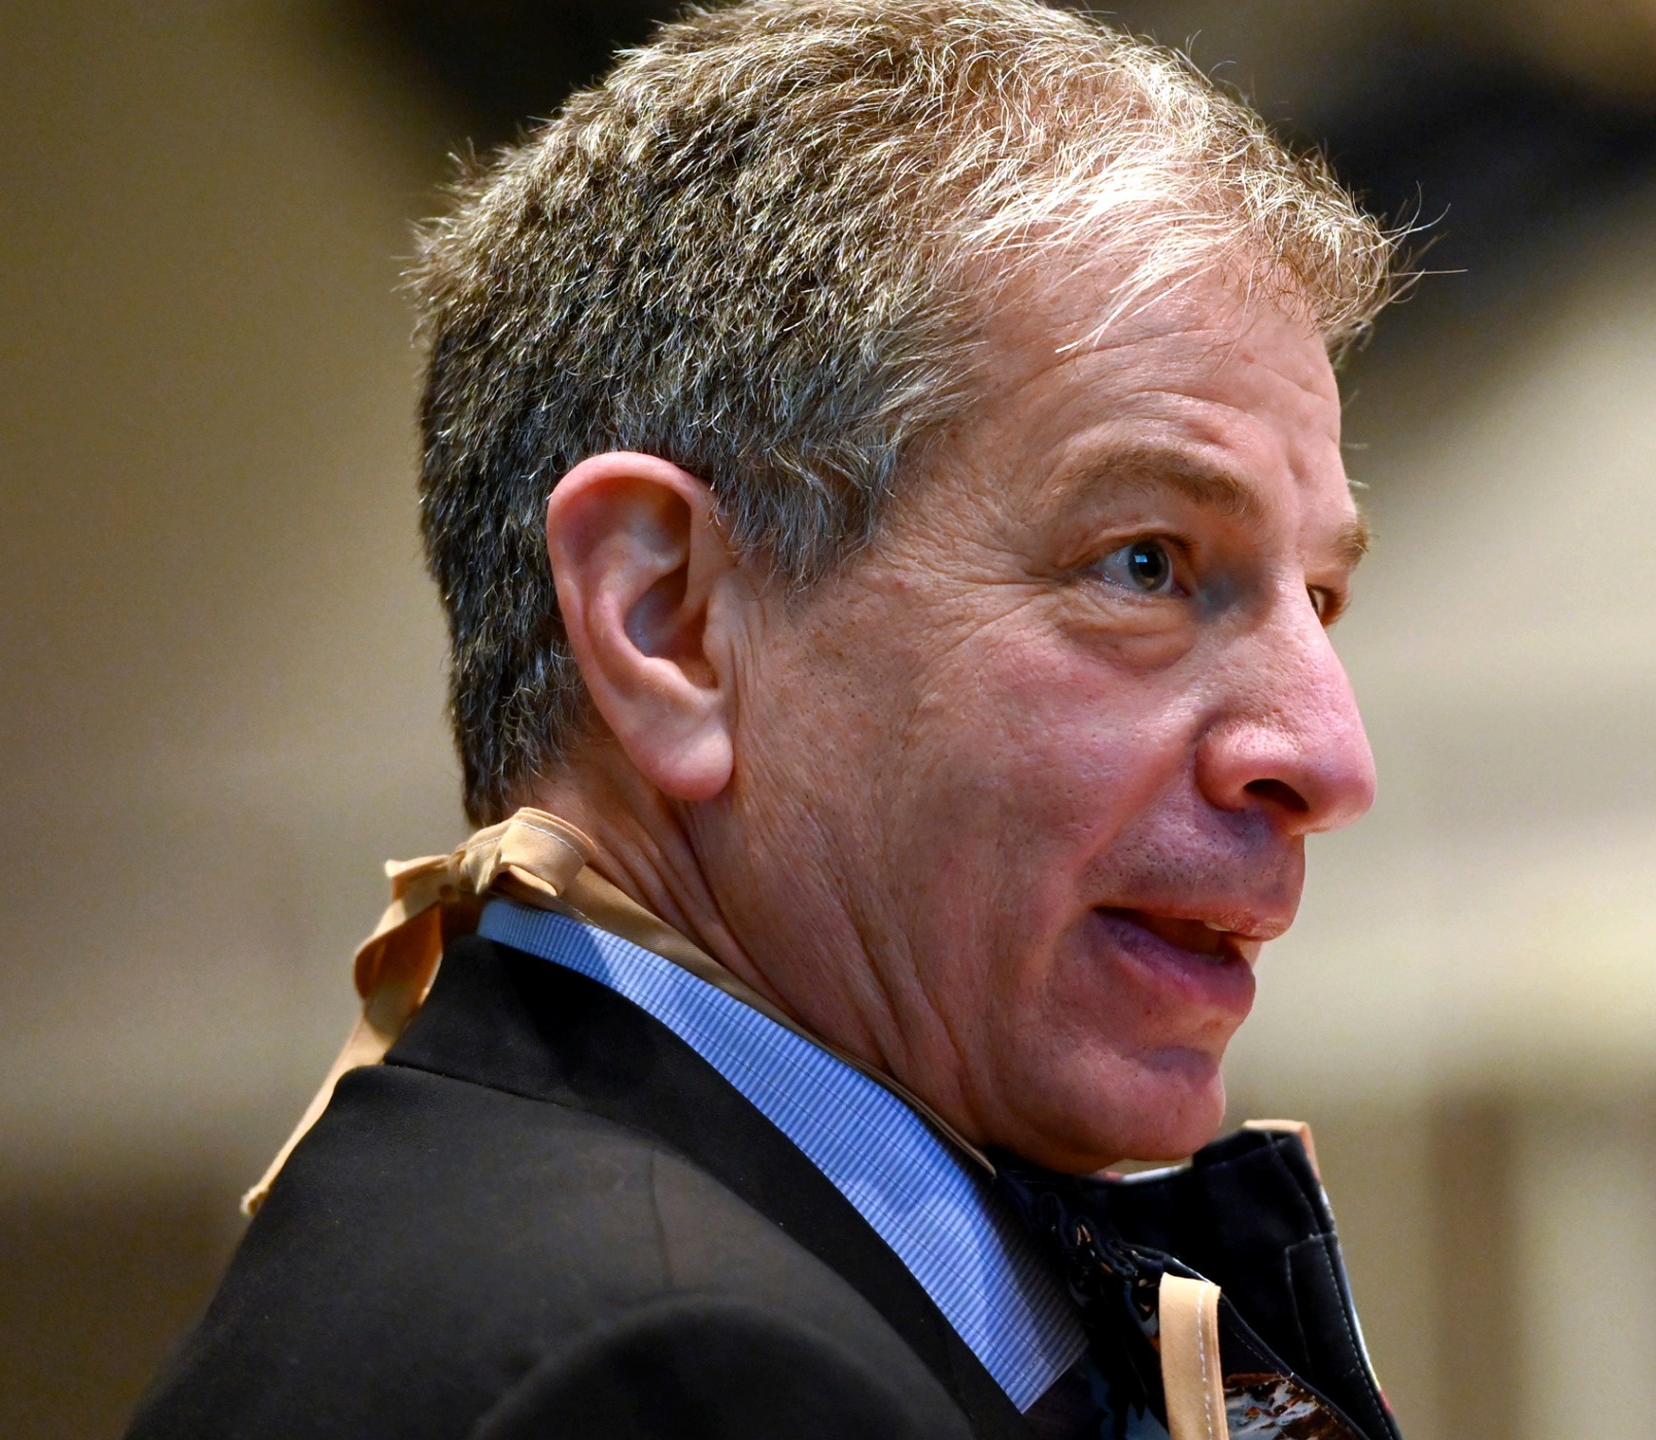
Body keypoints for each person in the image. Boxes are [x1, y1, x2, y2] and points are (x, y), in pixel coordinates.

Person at [129, 2, 1400, 1436]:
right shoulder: (664, 1379)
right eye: (1146, 565)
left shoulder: (641, 1259)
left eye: (1321, 599)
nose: (1327, 756)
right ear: (669, 622)